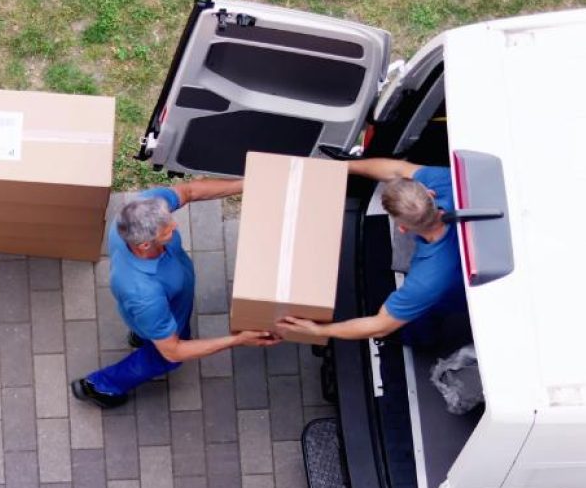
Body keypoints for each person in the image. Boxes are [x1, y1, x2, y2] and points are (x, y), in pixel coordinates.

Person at [71, 182, 277, 409]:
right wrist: (239, 340)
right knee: (163, 359)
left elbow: (188, 191)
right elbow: (174, 351)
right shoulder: (145, 294)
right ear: (145, 245)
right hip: (158, 314)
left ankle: (144, 336)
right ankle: (101, 385)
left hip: (157, 310)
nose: (175, 224)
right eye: (167, 230)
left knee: (152, 332)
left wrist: (248, 183)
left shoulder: (139, 210)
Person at [280, 158, 467, 347]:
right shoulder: (450, 182)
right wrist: (342, 168)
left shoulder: (426, 281)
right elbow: (397, 170)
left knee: (414, 327)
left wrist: (319, 331)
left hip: (459, 298)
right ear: (430, 193)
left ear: (402, 228)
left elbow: (381, 326)